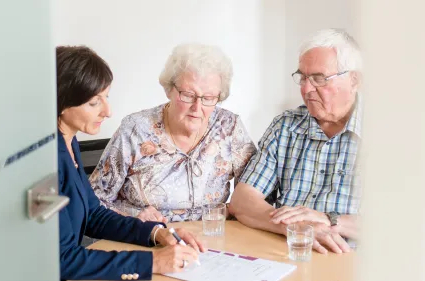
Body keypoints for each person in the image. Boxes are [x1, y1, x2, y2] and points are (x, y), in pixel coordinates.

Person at [56, 46, 205, 281]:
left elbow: (94, 215)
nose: (108, 111)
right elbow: (63, 261)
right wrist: (152, 261)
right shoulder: (44, 160)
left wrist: (157, 232)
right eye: (94, 102)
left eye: (106, 97)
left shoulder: (67, 140)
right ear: (62, 103)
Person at [229, 28, 363, 254]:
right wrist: (293, 226)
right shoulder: (286, 127)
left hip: (351, 261)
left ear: (354, 79)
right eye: (303, 77)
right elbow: (242, 202)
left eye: (319, 78)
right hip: (284, 253)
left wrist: (328, 221)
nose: (307, 89)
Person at [89, 43, 257, 222]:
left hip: (211, 240)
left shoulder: (229, 127)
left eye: (208, 98)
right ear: (169, 89)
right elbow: (94, 199)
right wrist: (134, 218)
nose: (197, 107)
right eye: (188, 95)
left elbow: (255, 194)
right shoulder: (136, 129)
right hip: (147, 238)